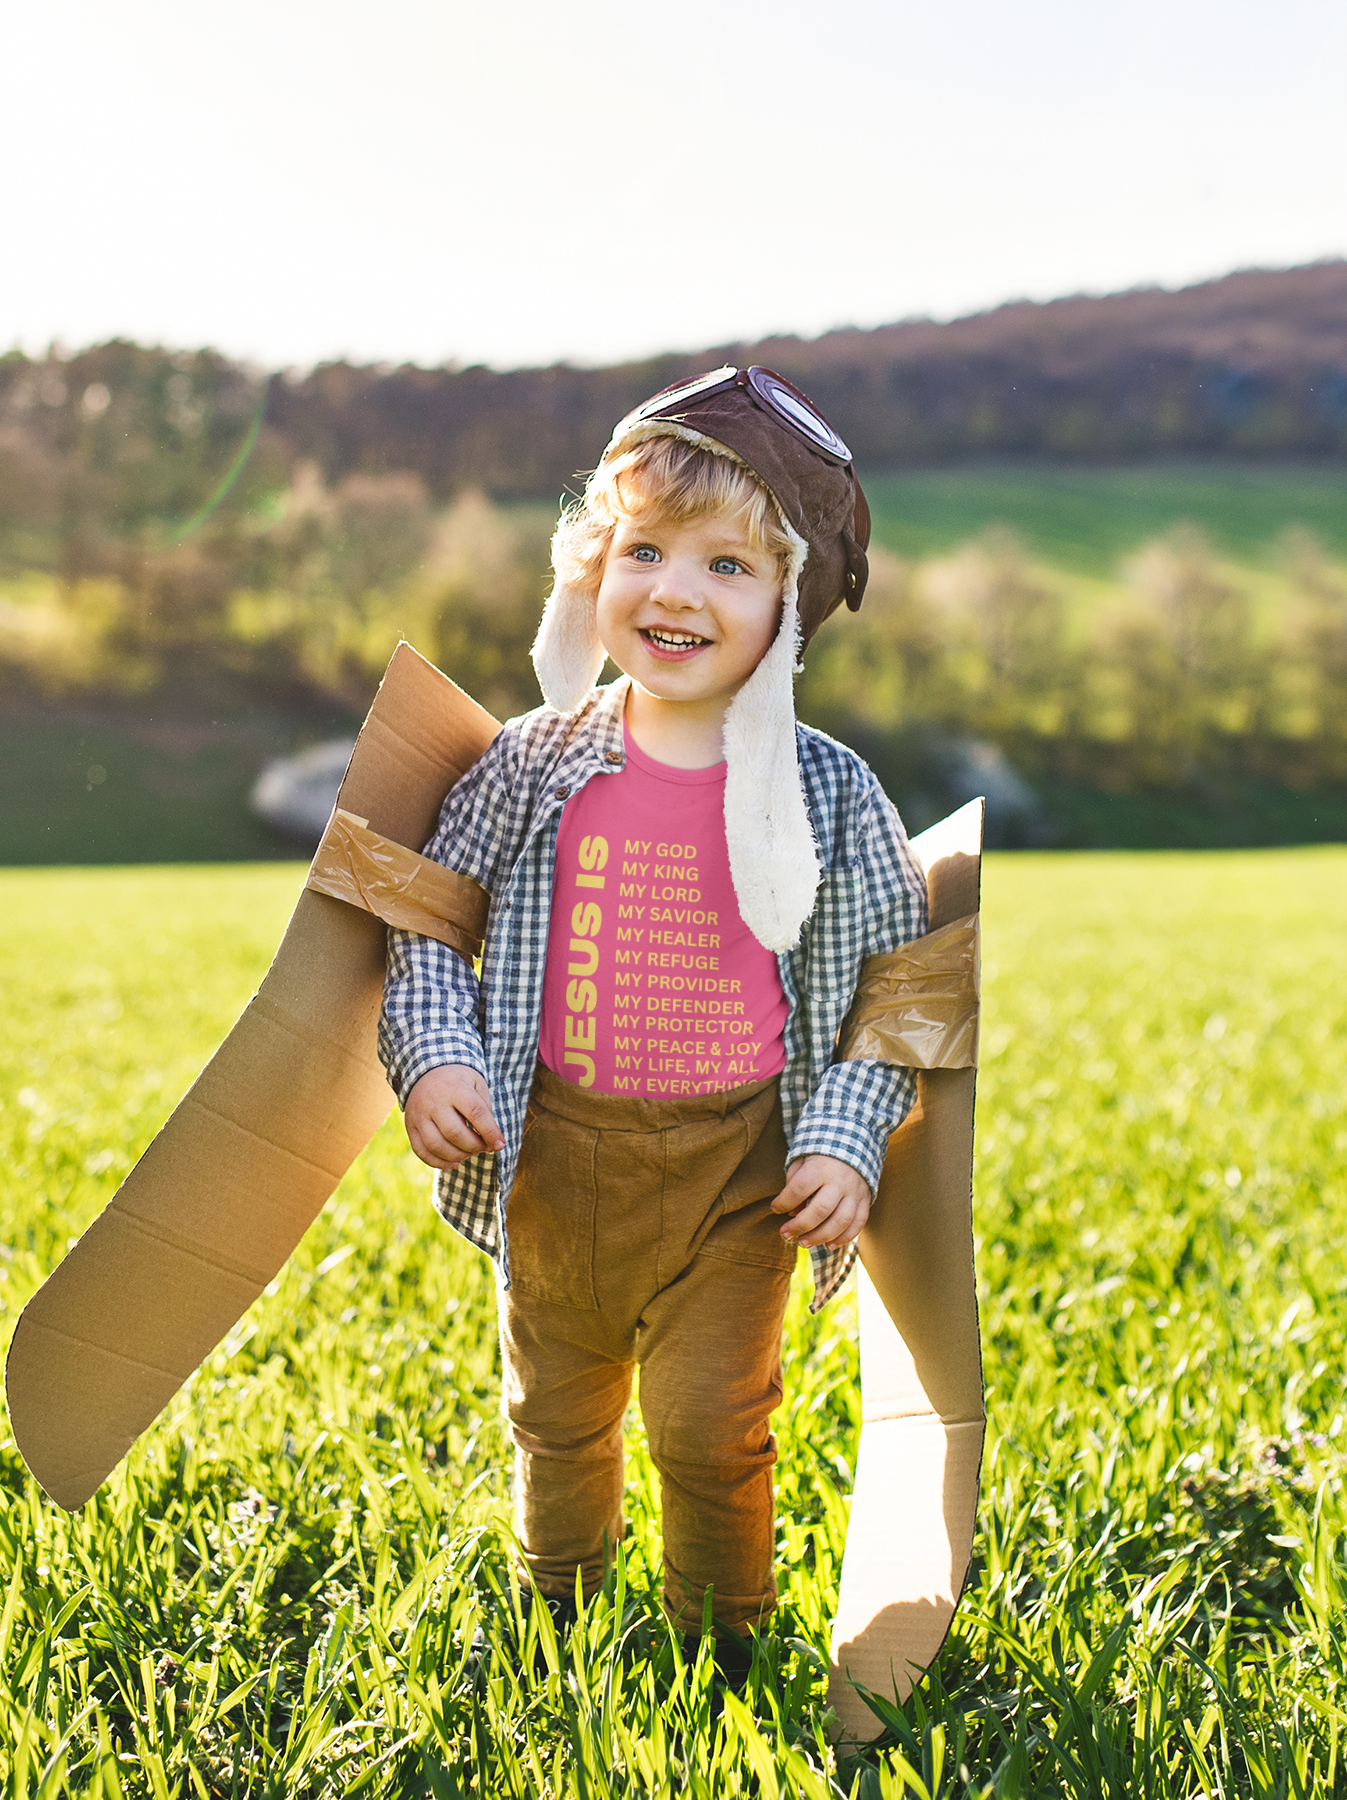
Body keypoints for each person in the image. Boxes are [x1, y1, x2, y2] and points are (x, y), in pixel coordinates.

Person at [377, 366, 927, 1674]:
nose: (675, 591)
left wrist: (845, 1140)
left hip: (736, 1179)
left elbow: (898, 992)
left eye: (730, 565)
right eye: (647, 551)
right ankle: (557, 1621)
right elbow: (428, 924)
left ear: (789, 606)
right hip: (555, 1160)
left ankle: (719, 1647)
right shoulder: (532, 761)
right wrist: (437, 1055)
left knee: (708, 1426)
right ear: (594, 566)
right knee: (556, 1415)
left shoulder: (830, 794)